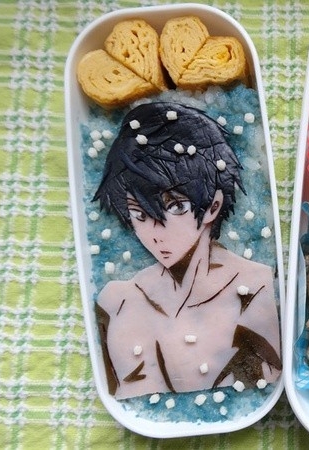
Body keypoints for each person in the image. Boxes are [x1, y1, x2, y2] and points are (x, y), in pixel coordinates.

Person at [93, 102, 281, 400]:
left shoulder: (256, 287)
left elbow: (265, 378)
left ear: (213, 206)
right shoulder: (117, 300)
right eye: (139, 214)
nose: (156, 233)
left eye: (175, 207)